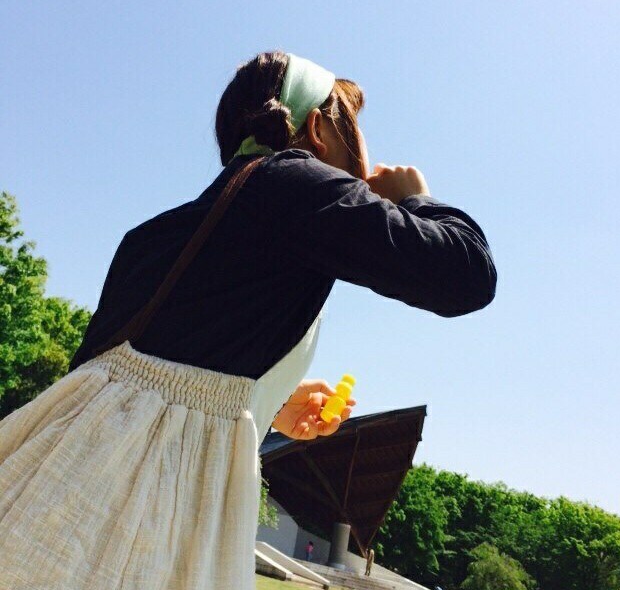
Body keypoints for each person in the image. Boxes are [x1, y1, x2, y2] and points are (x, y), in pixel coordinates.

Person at [0, 50, 497, 589]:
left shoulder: (157, 234)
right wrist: (416, 198)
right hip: (144, 508)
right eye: (352, 125)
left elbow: (152, 374)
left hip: (52, 474)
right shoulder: (290, 182)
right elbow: (465, 275)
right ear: (317, 129)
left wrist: (271, 402)